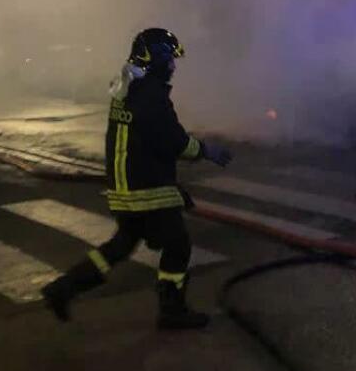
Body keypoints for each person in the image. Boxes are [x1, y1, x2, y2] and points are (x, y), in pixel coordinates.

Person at [41, 28, 232, 330]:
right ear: (153, 57)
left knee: (120, 247)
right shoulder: (151, 95)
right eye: (169, 58)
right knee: (178, 245)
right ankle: (172, 310)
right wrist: (207, 150)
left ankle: (63, 289)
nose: (172, 66)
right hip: (146, 187)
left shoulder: (127, 88)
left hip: (123, 186)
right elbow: (174, 142)